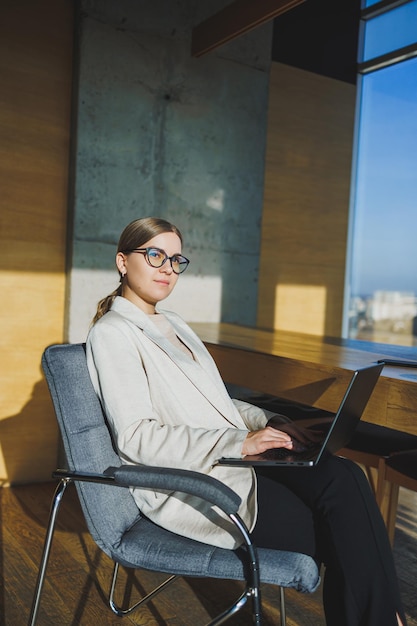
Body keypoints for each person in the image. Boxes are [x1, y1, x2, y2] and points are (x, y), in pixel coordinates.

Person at [86, 216, 406, 626]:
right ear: (122, 261)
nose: (167, 268)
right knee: (343, 526)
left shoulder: (175, 324)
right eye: (154, 255)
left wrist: (271, 423)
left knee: (344, 476)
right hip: (196, 482)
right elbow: (137, 437)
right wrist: (238, 444)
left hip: (235, 464)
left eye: (175, 259)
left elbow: (220, 402)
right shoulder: (113, 334)